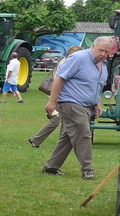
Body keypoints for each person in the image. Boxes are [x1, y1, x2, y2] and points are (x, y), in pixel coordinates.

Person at [41, 36, 114, 180]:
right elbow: (59, 79)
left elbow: (97, 85)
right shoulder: (78, 58)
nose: (103, 54)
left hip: (88, 105)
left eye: (107, 52)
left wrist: (98, 103)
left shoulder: (103, 64)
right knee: (83, 133)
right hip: (70, 103)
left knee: (69, 137)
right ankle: (87, 169)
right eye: (101, 50)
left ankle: (51, 166)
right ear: (93, 47)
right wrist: (52, 102)